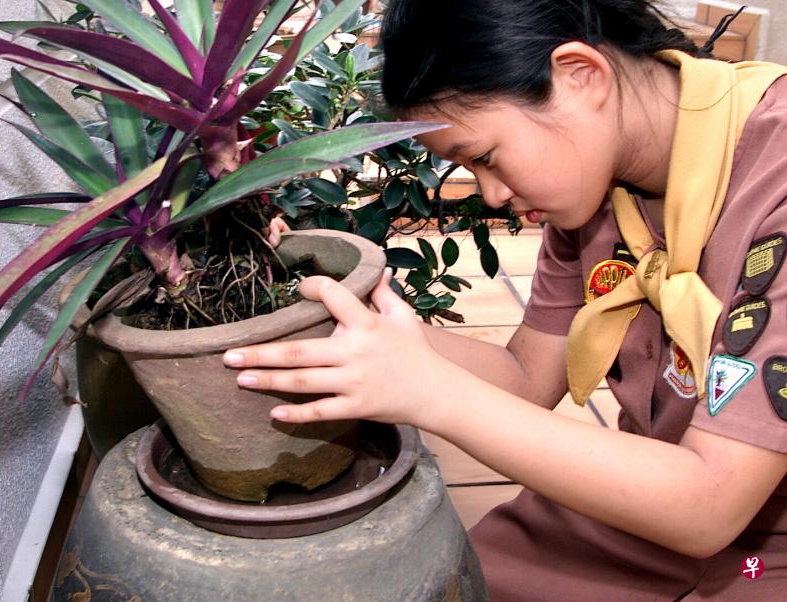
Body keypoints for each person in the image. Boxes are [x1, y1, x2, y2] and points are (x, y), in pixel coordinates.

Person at [225, 1, 787, 599]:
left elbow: (709, 505)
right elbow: (525, 377)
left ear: (579, 76)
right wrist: (366, 323)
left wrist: (431, 393)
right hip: (645, 499)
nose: (491, 195)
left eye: (485, 158)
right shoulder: (597, 173)